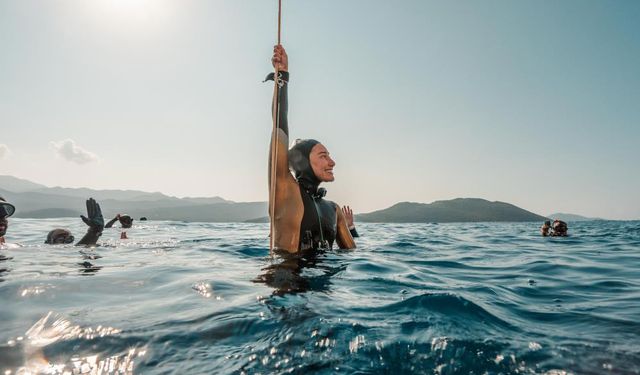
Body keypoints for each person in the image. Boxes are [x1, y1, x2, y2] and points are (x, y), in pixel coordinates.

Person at [266, 44, 356, 253]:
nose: (332, 162)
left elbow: (352, 254)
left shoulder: (334, 209)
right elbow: (279, 124)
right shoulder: (284, 190)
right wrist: (283, 77)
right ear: (303, 161)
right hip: (289, 282)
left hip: (328, 284)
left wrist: (352, 229)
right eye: (323, 156)